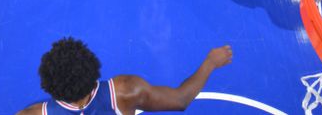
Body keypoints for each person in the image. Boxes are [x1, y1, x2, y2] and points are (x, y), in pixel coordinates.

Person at [16, 37, 233, 115]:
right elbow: (180, 100)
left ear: (49, 83)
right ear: (92, 68)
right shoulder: (125, 91)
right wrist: (210, 63)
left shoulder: (31, 114)